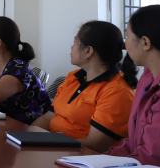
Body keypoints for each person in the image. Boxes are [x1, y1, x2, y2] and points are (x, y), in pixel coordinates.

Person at [28, 21, 136, 152]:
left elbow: (96, 144)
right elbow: (48, 117)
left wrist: (48, 143)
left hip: (81, 158)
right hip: (54, 149)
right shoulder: (73, 77)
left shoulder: (117, 91)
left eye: (75, 43)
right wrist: (29, 136)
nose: (71, 47)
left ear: (88, 51)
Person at [107, 5, 160, 168]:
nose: (125, 43)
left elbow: (155, 161)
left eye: (127, 36)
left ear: (145, 42)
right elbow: (136, 142)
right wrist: (99, 161)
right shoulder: (149, 75)